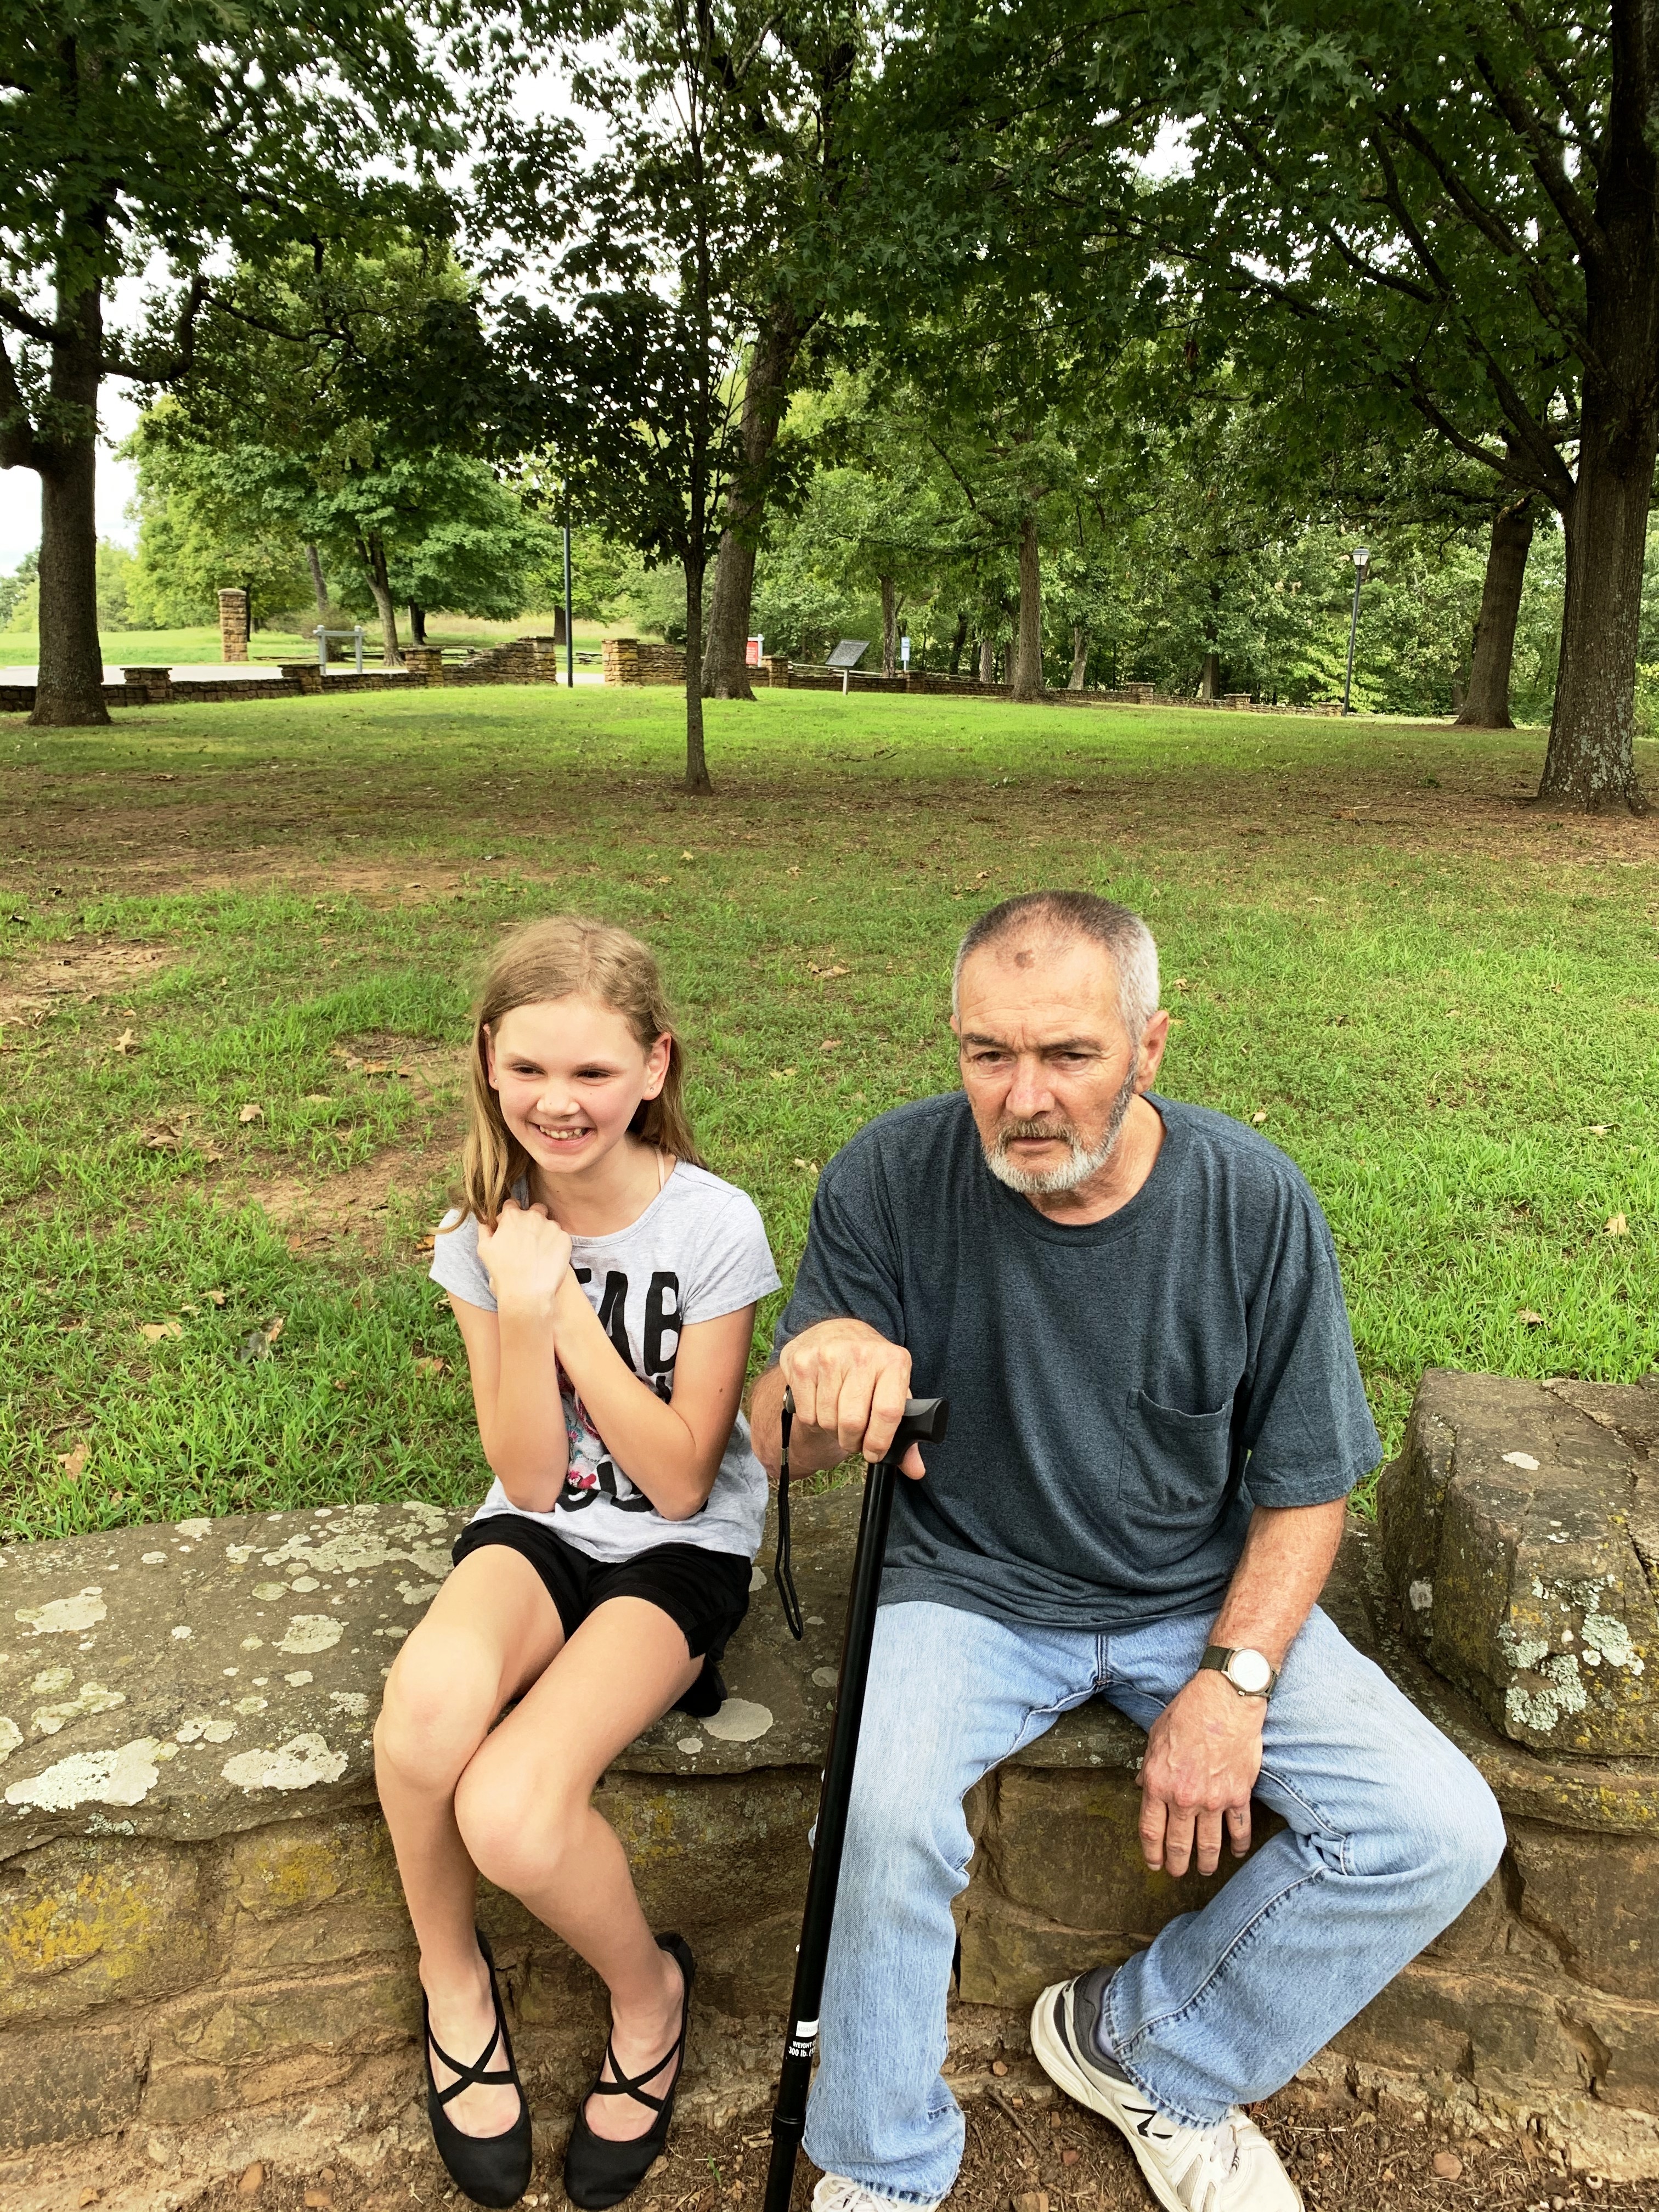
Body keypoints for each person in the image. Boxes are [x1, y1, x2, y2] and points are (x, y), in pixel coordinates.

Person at [752, 890, 1506, 2212]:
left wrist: (1235, 1681)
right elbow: (779, 1443)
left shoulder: (1250, 1200)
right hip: (964, 1585)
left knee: (1438, 1830)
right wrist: (821, 1369)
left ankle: (1151, 2045)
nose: (1023, 1097)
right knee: (874, 1816)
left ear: (1150, 1047)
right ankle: (882, 2164)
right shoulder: (888, 1175)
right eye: (988, 1053)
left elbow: (1308, 1488)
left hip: (1193, 1593)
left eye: (1068, 1054)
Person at [376, 916, 780, 2212]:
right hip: (543, 1528)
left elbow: (679, 1477)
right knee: (426, 1710)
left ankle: (649, 1994)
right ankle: (452, 1979)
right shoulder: (479, 1233)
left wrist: (560, 1309)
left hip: (678, 1552)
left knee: (511, 1810)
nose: (559, 1101)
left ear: (655, 1067)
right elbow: (533, 1477)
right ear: (488, 1060)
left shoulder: (712, 1226)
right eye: (529, 1068)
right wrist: (508, 1291)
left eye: (594, 1071)